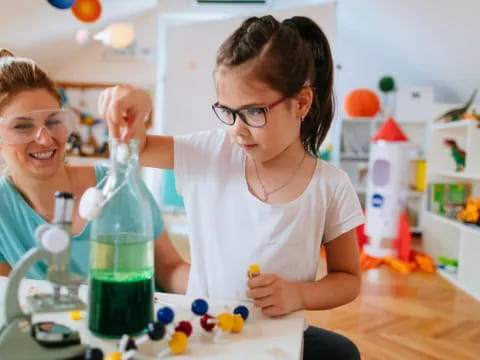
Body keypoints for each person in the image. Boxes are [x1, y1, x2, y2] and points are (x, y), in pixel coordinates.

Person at [100, 15, 363, 360]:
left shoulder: (330, 185)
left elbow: (348, 278)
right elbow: (133, 146)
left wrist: (299, 294)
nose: (238, 130)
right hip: (200, 339)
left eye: (254, 112)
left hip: (276, 345)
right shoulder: (211, 152)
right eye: (229, 111)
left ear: (301, 102)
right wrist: (138, 106)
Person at [0, 49, 189, 294]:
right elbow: (8, 301)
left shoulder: (118, 184)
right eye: (22, 126)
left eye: (53, 121)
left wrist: (224, 286)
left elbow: (171, 269)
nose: (45, 140)